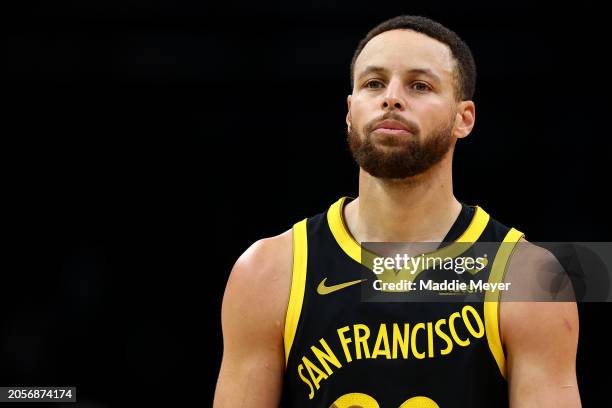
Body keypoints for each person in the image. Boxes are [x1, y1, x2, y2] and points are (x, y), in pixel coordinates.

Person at [213, 15, 580, 407]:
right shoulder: (268, 270)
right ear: (350, 112)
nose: (391, 98)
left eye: (419, 86)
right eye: (373, 83)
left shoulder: (529, 278)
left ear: (464, 118)